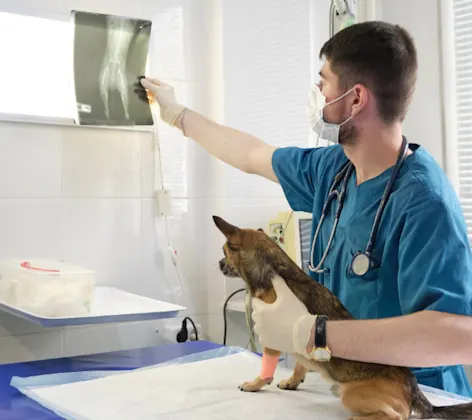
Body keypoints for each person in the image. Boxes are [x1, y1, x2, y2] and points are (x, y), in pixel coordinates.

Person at [139, 21, 472, 397]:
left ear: (356, 99)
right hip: (349, 389)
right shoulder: (334, 170)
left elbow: (457, 336)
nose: (316, 92)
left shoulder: (424, 202)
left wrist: (313, 333)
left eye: (323, 82)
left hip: (419, 400)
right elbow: (251, 154)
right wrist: (177, 114)